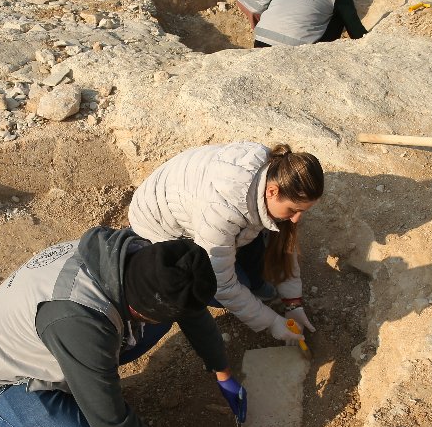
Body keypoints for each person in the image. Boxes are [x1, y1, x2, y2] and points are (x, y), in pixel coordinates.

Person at [0, 228, 246, 427]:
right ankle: (65, 397)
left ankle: (86, 381)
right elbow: (110, 423)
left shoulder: (136, 256)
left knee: (163, 319)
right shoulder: (82, 322)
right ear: (141, 309)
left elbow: (188, 307)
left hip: (54, 336)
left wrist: (221, 370)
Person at [128, 141, 322, 347]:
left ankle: (257, 284)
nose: (296, 219)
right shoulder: (221, 213)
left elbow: (283, 241)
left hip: (199, 209)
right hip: (158, 226)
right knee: (228, 286)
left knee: (260, 245)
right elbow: (221, 284)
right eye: (293, 210)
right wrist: (271, 321)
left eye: (303, 211)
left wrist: (293, 303)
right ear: (272, 192)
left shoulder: (276, 171)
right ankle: (254, 287)